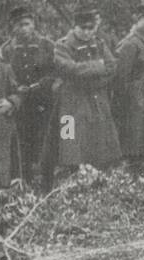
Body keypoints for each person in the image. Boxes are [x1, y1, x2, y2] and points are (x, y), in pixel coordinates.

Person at [46, 7, 121, 180]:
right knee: (69, 140)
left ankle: (97, 176)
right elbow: (68, 69)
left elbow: (112, 67)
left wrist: (95, 78)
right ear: (75, 27)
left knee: (100, 138)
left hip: (96, 98)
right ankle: (69, 176)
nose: (87, 32)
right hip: (70, 102)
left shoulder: (99, 43)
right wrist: (97, 66)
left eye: (90, 28)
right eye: (83, 28)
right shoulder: (62, 45)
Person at [2, 6, 54, 180]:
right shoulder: (7, 49)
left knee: (43, 141)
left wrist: (38, 86)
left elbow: (55, 73)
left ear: (33, 25)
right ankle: (24, 180)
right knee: (21, 143)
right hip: (19, 105)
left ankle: (45, 180)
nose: (23, 28)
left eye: (27, 24)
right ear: (12, 27)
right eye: (19, 25)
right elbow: (2, 76)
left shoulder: (46, 45)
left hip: (43, 101)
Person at [114, 6, 144, 165]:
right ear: (138, 20)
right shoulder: (130, 43)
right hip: (136, 97)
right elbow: (121, 77)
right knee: (136, 135)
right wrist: (125, 101)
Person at [0, 27, 21, 193]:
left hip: (2, 128)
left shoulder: (4, 68)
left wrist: (11, 103)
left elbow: (17, 92)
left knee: (4, 171)